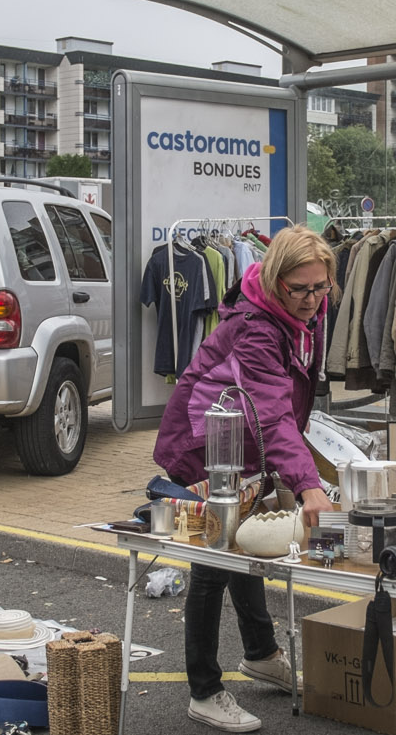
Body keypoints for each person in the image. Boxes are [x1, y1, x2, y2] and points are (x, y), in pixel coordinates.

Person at [153, 224, 337, 733]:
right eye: (298, 289)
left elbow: (289, 400)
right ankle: (204, 691)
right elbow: (273, 412)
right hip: (205, 439)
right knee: (214, 557)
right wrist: (308, 483)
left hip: (246, 435)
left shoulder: (312, 307)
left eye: (319, 287)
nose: (310, 299)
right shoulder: (256, 325)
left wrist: (297, 467)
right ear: (275, 280)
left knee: (243, 543)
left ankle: (259, 653)